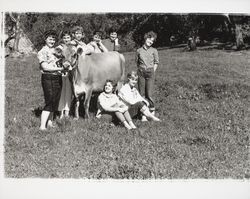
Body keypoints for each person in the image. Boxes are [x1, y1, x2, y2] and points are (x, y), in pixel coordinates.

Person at [37, 30, 64, 130]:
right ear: (45, 39)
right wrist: (60, 69)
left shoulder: (56, 50)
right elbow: (45, 67)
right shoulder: (43, 51)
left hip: (57, 77)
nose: (52, 41)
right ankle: (42, 126)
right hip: (48, 78)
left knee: (55, 101)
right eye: (50, 39)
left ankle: (50, 122)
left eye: (53, 39)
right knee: (49, 102)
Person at [135, 31, 159, 117]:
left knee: (149, 93)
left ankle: (152, 110)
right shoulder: (139, 51)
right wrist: (141, 70)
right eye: (149, 39)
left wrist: (152, 70)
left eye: (152, 41)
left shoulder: (154, 50)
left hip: (150, 72)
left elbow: (156, 62)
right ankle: (143, 113)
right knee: (141, 94)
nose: (151, 42)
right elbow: (137, 62)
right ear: (145, 38)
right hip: (141, 73)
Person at [57, 30, 73, 119]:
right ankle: (61, 112)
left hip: (70, 72)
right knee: (61, 91)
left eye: (68, 37)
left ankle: (67, 111)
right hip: (61, 71)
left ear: (71, 38)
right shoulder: (59, 47)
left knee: (69, 92)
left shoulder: (73, 47)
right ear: (62, 39)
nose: (66, 39)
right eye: (64, 38)